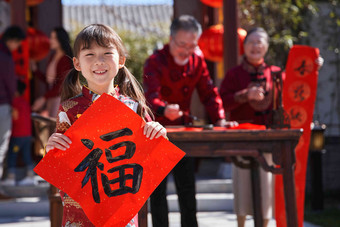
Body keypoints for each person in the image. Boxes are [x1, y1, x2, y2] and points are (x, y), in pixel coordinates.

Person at [44, 24, 168, 227]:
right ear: (77, 63)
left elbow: (152, 160)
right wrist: (52, 151)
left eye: (107, 53)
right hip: (81, 213)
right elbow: (63, 169)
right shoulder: (69, 109)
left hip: (121, 211)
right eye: (89, 54)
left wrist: (159, 134)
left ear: (120, 60)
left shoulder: (134, 107)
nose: (98, 61)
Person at [219, 27, 324, 227]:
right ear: (244, 45)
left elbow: (295, 91)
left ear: (266, 47)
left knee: (267, 188)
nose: (255, 46)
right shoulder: (233, 74)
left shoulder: (276, 73)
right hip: (241, 139)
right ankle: (241, 224)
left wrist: (312, 67)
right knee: (242, 187)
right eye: (251, 42)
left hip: (269, 140)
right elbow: (222, 102)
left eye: (260, 42)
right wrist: (244, 95)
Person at [143, 15, 233, 227]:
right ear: (171, 38)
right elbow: (150, 96)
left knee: (187, 187)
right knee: (157, 191)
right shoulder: (155, 61)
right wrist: (164, 108)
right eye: (181, 44)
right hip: (156, 131)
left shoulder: (197, 60)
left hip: (184, 132)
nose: (186, 50)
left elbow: (209, 93)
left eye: (192, 45)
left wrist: (219, 118)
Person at [0, 25, 26, 182]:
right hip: (2, 104)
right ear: (12, 40)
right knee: (1, 146)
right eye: (18, 43)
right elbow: (10, 84)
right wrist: (14, 104)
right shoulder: (5, 57)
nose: (17, 47)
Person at [32, 27, 73, 117]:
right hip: (52, 98)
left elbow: (61, 85)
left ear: (60, 40)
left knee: (56, 127)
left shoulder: (65, 59)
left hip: (60, 100)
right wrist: (35, 70)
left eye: (53, 38)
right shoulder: (52, 56)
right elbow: (49, 80)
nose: (50, 40)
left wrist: (43, 98)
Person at [1, 80, 36, 186]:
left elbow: (15, 116)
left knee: (12, 155)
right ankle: (31, 176)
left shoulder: (14, 102)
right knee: (26, 155)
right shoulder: (25, 102)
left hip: (17, 136)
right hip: (27, 135)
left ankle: (11, 177)